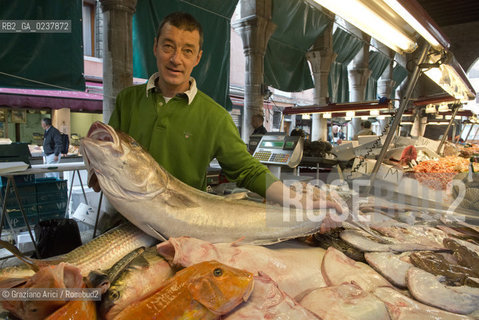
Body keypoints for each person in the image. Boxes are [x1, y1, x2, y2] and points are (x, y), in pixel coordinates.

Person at [103, 12, 341, 232]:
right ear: (155, 47)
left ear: (198, 58)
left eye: (187, 51)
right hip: (125, 222)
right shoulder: (128, 100)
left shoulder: (215, 116)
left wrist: (300, 201)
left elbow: (247, 170)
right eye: (168, 47)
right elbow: (109, 151)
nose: (176, 59)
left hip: (182, 229)